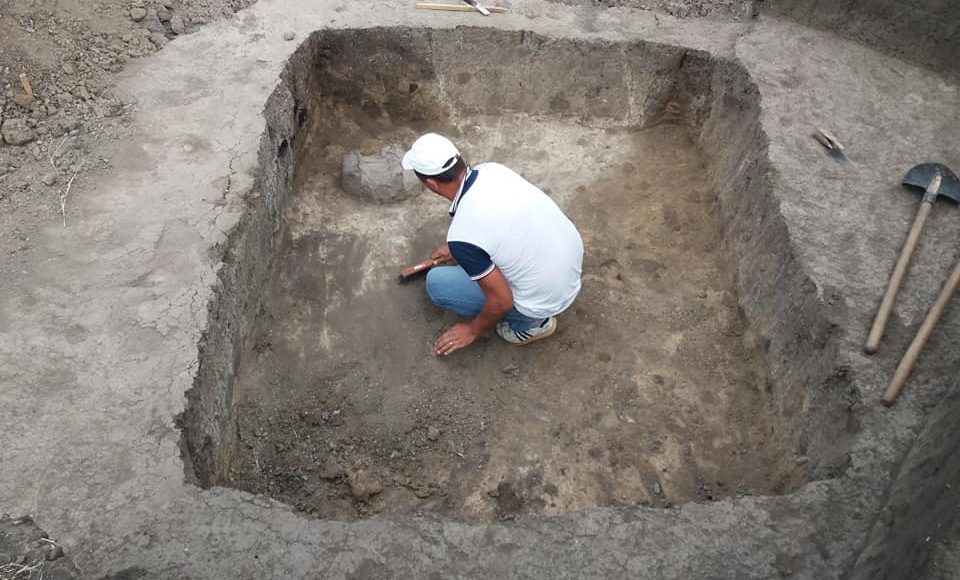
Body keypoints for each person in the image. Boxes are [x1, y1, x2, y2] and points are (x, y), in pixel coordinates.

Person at [401, 133, 584, 356]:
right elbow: (507, 223)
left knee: (438, 283)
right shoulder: (493, 170)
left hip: (544, 299)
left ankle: (532, 325)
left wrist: (472, 330)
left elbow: (501, 301)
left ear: (431, 183)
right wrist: (460, 248)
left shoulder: (463, 235)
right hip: (569, 265)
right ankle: (536, 308)